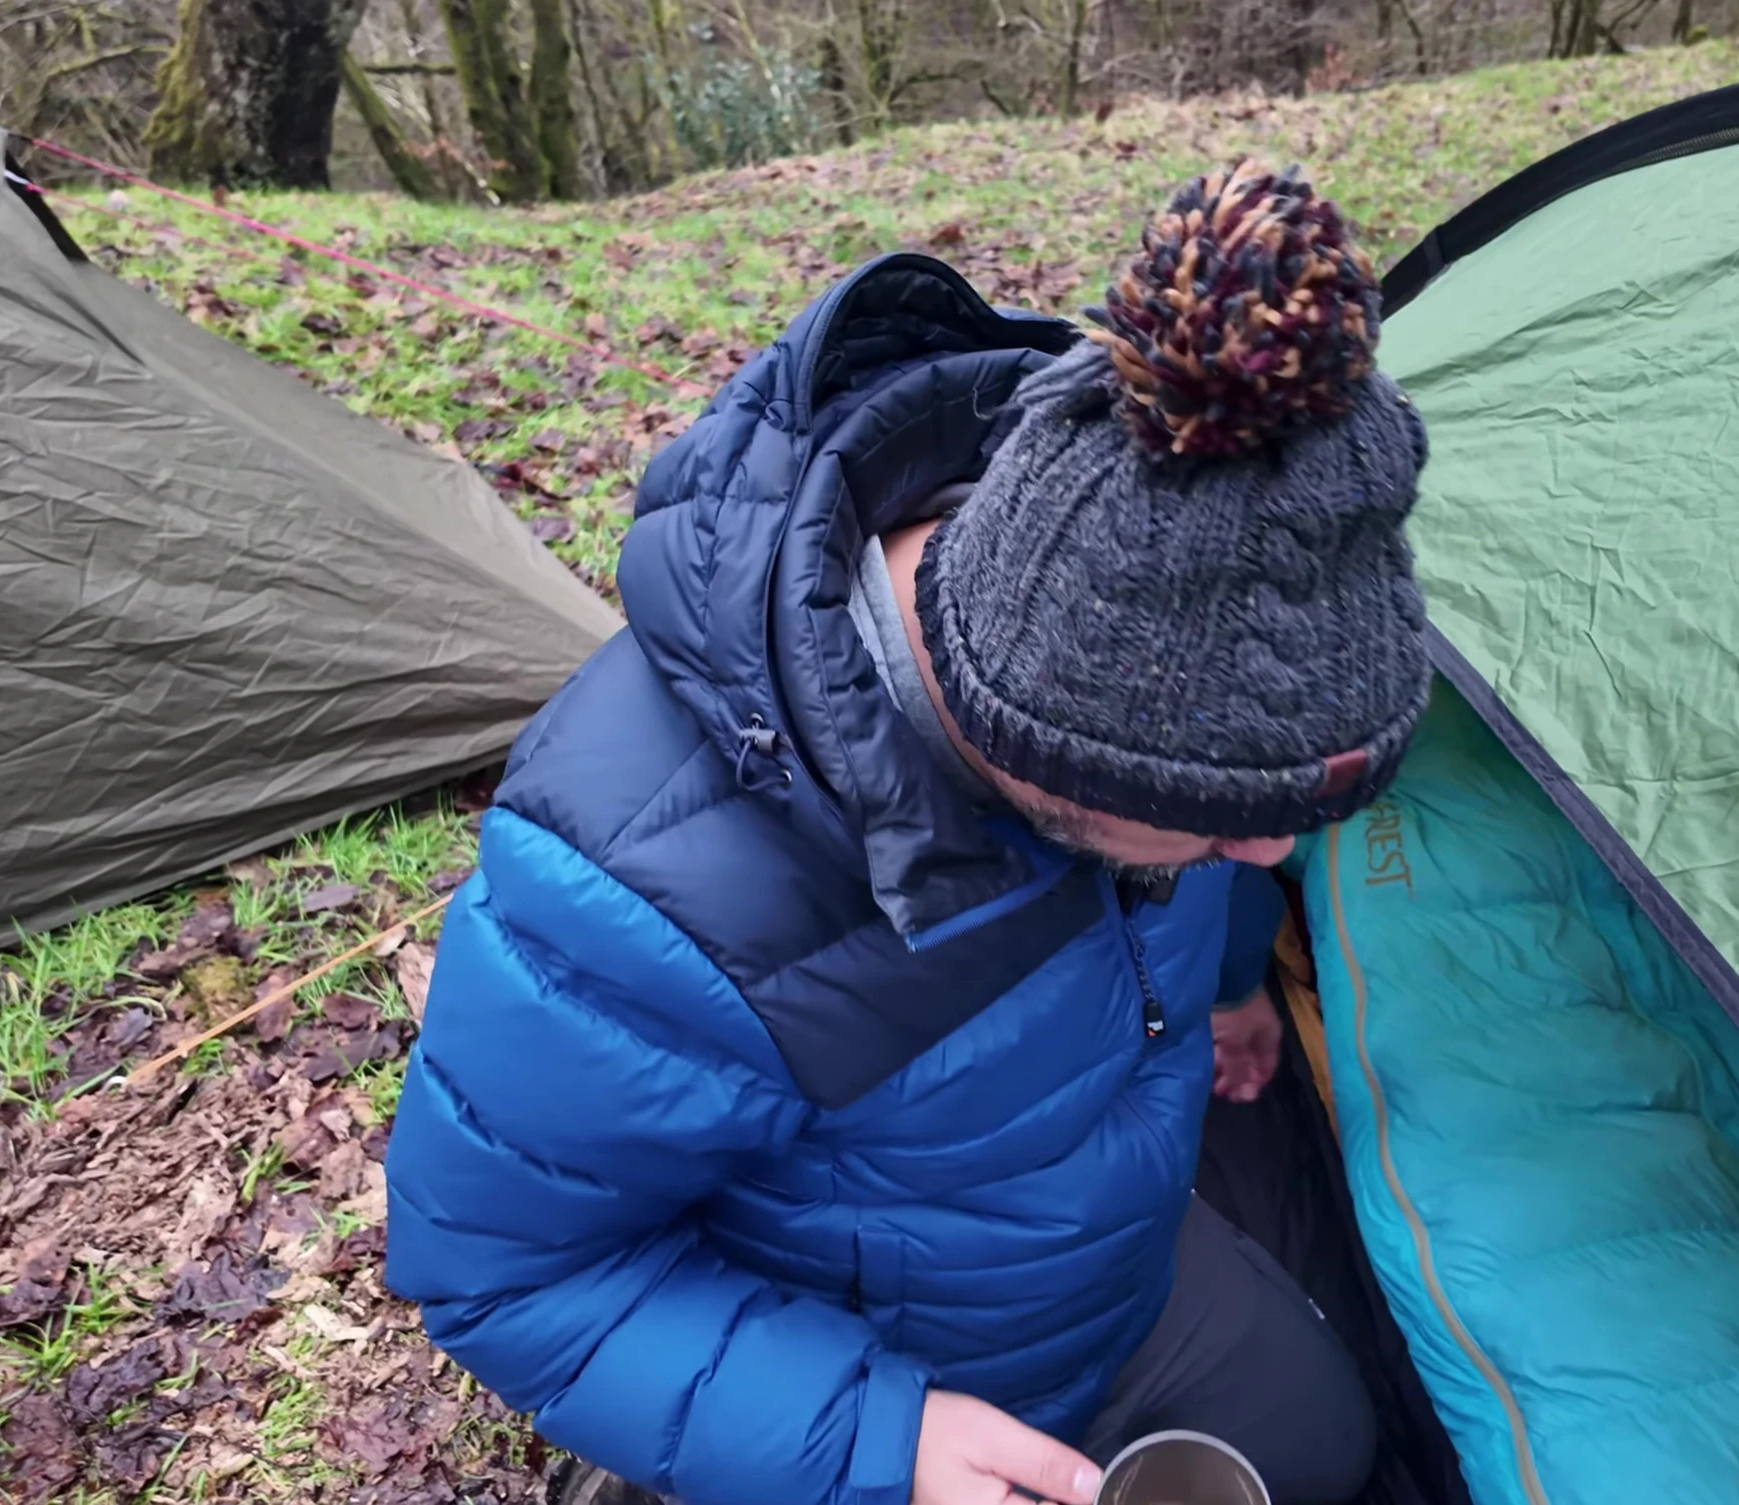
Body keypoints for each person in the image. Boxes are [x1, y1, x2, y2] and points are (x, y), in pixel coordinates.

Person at [384, 160, 1433, 1505]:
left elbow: (1177, 872)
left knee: (1333, 1454)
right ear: (1035, 756)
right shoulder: (632, 905)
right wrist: (879, 1442)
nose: (1270, 862)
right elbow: (503, 1269)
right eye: (1224, 830)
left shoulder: (1118, 640)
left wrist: (1231, 986)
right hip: (855, 1365)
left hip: (1110, 1274)